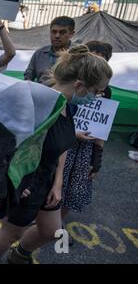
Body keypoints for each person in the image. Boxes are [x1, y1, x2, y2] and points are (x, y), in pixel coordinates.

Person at [0, 45, 113, 264]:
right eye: (96, 92)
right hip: (26, 183)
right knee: (12, 233)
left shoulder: (67, 105)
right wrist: (14, 180)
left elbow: (59, 145)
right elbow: (2, 142)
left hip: (47, 179)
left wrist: (58, 183)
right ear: (80, 86)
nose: (97, 97)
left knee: (51, 230)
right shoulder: (38, 104)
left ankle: (20, 256)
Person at [61, 41, 113, 234]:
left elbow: (103, 125)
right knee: (56, 184)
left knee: (75, 189)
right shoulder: (70, 87)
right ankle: (45, 220)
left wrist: (97, 155)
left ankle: (58, 221)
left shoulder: (105, 91)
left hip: (84, 149)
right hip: (65, 143)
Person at [24, 16, 75, 83]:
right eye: (54, 32)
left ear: (71, 34)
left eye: (62, 32)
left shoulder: (78, 55)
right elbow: (28, 78)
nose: (57, 36)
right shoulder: (39, 53)